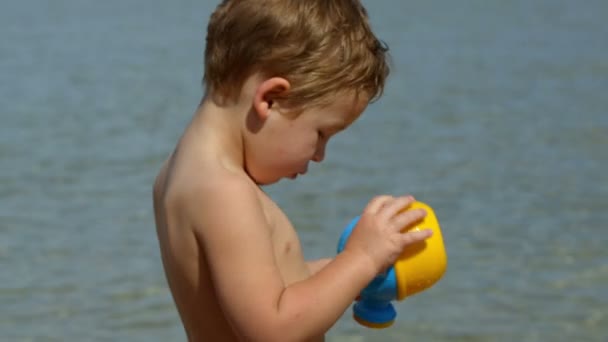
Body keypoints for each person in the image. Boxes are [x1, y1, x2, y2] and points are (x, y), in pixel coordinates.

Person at [152, 0, 433, 341]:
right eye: (321, 134)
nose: (320, 156)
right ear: (270, 99)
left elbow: (263, 290)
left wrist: (350, 274)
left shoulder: (181, 173)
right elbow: (273, 328)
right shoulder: (226, 193)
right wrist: (362, 257)